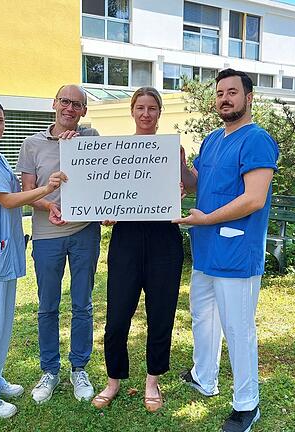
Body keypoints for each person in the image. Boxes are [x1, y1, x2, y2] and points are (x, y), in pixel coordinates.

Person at [174, 69, 279, 432]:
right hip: (206, 249)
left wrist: (205, 221)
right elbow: (198, 183)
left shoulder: (256, 140)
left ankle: (247, 405)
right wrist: (182, 164)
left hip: (236, 250)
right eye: (220, 93)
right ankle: (205, 376)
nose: (225, 98)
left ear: (249, 98)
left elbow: (254, 198)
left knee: (238, 328)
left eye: (232, 92)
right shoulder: (213, 139)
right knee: (203, 315)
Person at [0, 97, 67, 418]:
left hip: (5, 249)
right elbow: (7, 200)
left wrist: (48, 204)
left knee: (2, 321)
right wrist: (45, 190)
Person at [91, 87, 184, 413]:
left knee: (161, 315)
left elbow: (193, 185)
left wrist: (182, 167)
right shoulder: (119, 151)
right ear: (132, 111)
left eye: (152, 108)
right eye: (140, 108)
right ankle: (113, 380)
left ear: (159, 113)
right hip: (127, 239)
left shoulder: (173, 148)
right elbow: (103, 192)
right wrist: (104, 209)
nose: (146, 114)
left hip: (164, 240)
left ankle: (152, 381)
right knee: (116, 318)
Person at [16, 85, 101, 404]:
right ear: (54, 103)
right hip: (47, 235)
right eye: (65, 101)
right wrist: (48, 205)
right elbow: (28, 193)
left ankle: (79, 368)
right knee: (47, 305)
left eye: (77, 104)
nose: (69, 108)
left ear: (83, 111)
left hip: (84, 234)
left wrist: (108, 210)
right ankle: (49, 371)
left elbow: (107, 181)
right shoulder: (31, 144)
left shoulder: (92, 140)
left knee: (83, 303)